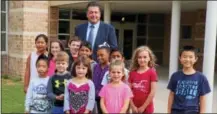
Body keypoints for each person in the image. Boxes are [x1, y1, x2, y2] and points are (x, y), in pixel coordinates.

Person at [167, 46, 211, 114]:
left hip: (193, 111)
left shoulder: (201, 78)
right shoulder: (175, 76)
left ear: (195, 59)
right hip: (176, 111)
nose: (187, 59)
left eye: (190, 57)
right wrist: (168, 111)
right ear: (180, 58)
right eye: (184, 57)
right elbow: (171, 95)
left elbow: (202, 98)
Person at [128, 46, 158, 113]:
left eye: (145, 57)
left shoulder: (152, 72)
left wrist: (143, 107)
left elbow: (152, 92)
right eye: (140, 57)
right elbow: (128, 91)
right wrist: (132, 106)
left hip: (147, 108)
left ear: (149, 58)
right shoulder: (132, 73)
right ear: (136, 59)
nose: (142, 60)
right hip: (134, 107)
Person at [92, 43, 110, 114]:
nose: (99, 57)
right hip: (95, 99)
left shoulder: (111, 68)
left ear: (108, 54)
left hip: (106, 100)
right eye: (98, 55)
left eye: (102, 55)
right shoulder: (95, 67)